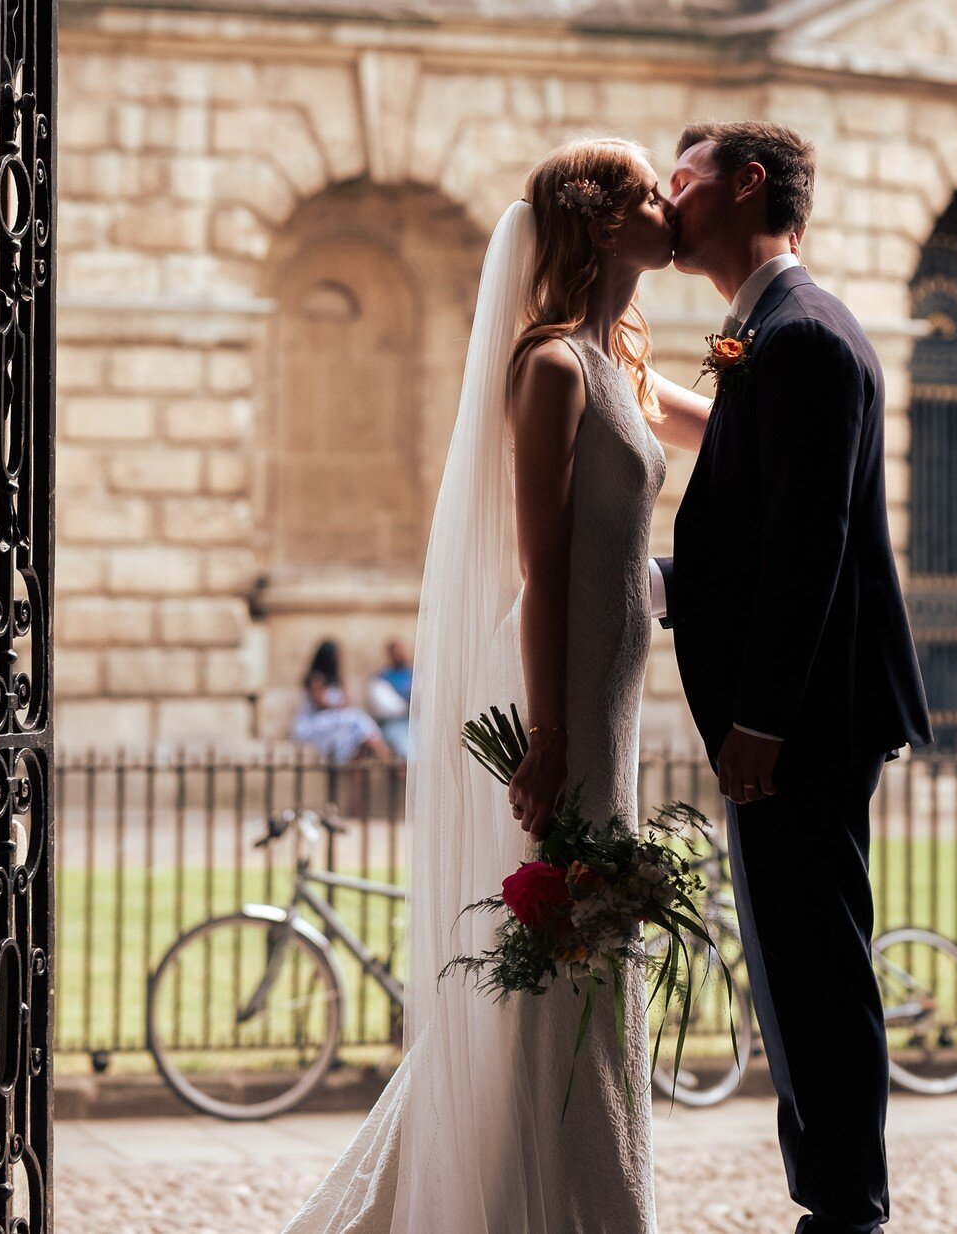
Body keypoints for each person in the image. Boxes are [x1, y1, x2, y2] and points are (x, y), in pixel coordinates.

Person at [282, 138, 676, 1234]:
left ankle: (582, 1181)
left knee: (594, 935)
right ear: (602, 223)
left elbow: (723, 416)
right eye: (650, 192)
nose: (667, 206)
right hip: (570, 687)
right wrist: (547, 735)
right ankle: (560, 1196)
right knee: (574, 933)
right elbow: (540, 572)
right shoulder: (550, 365)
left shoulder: (622, 356)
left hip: (615, 689)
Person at [651, 121, 933, 1234]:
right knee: (788, 960)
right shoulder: (758, 327)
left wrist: (760, 722)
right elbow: (730, 449)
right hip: (788, 712)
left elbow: (803, 545)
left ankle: (845, 1209)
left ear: (748, 186)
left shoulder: (806, 335)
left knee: (812, 968)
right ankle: (831, 1196)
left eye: (685, 181)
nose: (670, 200)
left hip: (803, 718)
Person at [292, 639, 396, 766]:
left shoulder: (337, 679)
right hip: (313, 724)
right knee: (355, 717)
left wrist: (342, 680)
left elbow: (347, 703)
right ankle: (387, 758)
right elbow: (320, 704)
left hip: (335, 723)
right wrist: (338, 706)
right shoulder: (316, 677)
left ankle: (374, 761)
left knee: (355, 740)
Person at [366, 638, 415, 760]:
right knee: (407, 751)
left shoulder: (413, 675)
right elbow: (388, 708)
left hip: (415, 722)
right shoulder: (381, 679)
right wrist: (408, 705)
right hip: (394, 724)